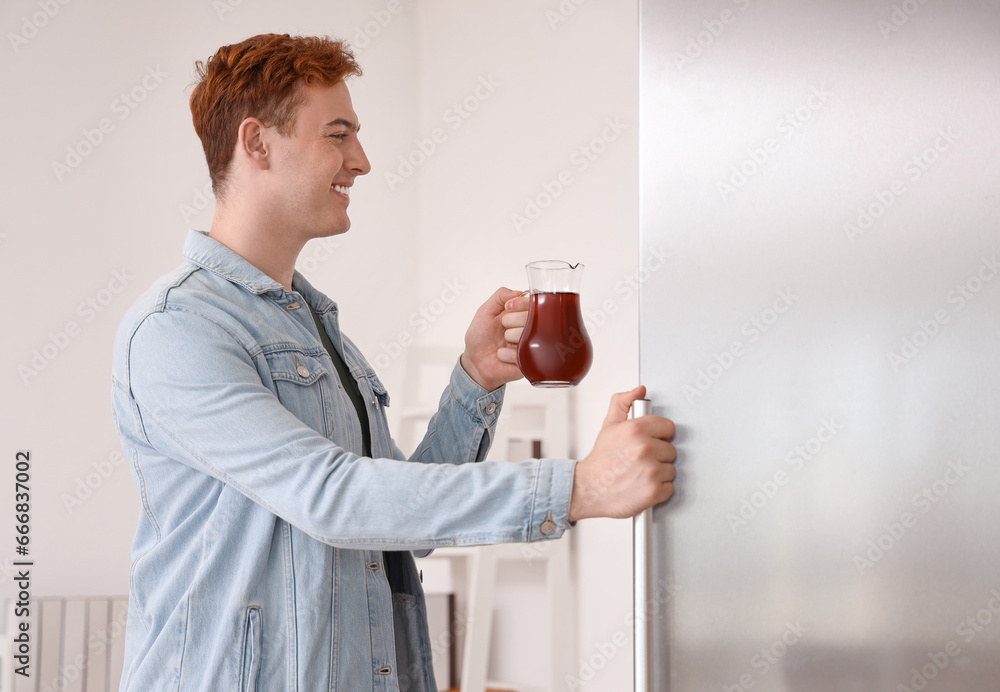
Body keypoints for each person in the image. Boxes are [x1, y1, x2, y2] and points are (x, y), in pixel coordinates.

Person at [110, 33, 677, 692]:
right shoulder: (176, 329)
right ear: (257, 143)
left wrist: (474, 381)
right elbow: (332, 497)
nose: (362, 161)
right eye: (338, 134)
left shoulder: (315, 324)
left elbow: (393, 524)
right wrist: (580, 487)